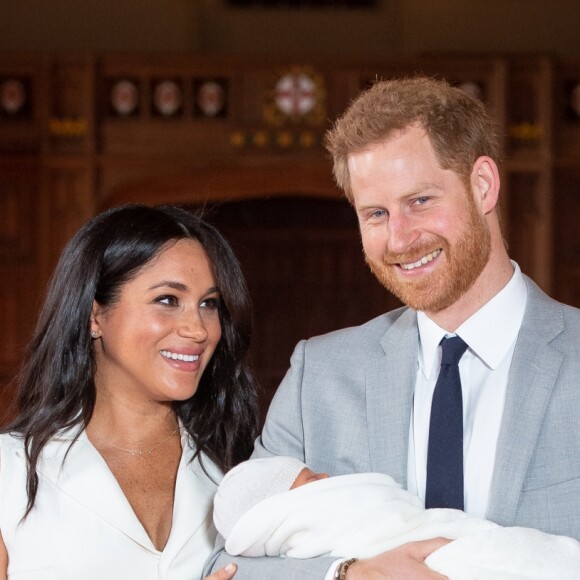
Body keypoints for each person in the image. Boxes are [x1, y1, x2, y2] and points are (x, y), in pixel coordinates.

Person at [206, 76, 580, 579]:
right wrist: (347, 574)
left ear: (483, 185)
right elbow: (227, 565)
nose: (399, 238)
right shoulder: (318, 375)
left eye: (420, 201)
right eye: (376, 213)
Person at [0, 204, 260, 580]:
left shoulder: (238, 470)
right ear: (95, 316)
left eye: (209, 304)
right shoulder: (9, 472)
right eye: (168, 300)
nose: (198, 329)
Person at [213, 456, 580, 579]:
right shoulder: (312, 369)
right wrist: (348, 574)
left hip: (452, 540)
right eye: (310, 480)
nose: (325, 479)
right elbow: (227, 566)